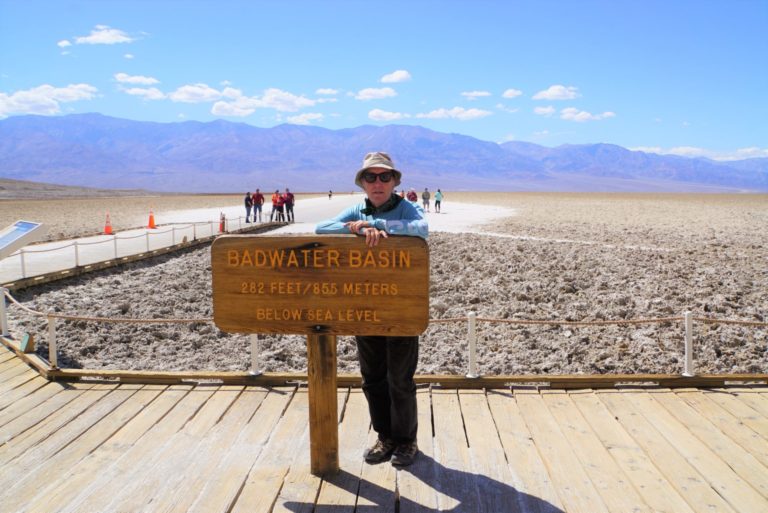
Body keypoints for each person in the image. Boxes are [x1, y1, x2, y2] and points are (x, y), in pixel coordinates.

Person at [316, 151, 428, 467]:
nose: (377, 183)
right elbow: (322, 228)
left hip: (400, 305)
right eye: (370, 177)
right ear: (362, 183)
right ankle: (385, 436)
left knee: (400, 379)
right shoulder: (358, 209)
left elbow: (421, 228)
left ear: (394, 181)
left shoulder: (405, 207)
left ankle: (407, 441)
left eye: (384, 177)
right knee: (372, 377)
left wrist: (379, 224)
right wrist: (357, 228)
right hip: (365, 303)